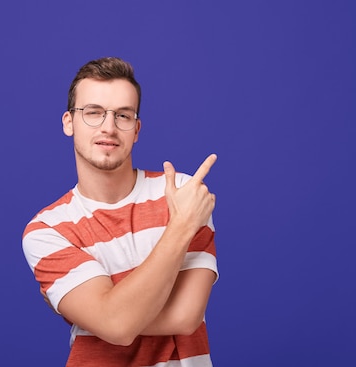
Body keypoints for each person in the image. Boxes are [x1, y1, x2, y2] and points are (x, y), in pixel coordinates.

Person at [22, 57, 219, 367]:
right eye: (93, 113)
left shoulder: (182, 193)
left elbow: (185, 316)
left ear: (136, 129)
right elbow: (117, 326)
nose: (108, 127)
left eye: (123, 115)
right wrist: (180, 227)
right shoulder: (48, 230)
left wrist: (99, 314)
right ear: (68, 122)